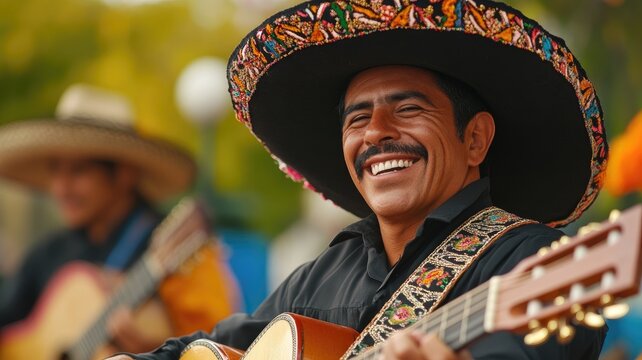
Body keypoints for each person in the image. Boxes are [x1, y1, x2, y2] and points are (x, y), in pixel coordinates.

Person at [110, 0, 609, 358]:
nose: (376, 134)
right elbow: (214, 346)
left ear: (475, 139)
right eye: (356, 119)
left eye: (408, 109)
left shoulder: (539, 263)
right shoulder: (323, 272)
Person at [0, 85, 238, 353]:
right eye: (56, 170)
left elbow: (218, 348)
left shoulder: (181, 251)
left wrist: (155, 351)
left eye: (78, 171)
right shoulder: (45, 256)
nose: (61, 189)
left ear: (125, 174)